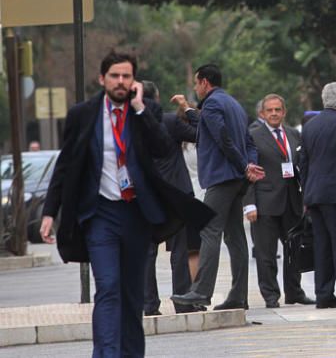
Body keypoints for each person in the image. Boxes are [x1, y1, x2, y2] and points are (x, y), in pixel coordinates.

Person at [40, 50, 212, 357]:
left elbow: (161, 148)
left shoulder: (147, 111)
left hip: (136, 214)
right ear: (102, 79)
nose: (120, 82)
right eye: (115, 76)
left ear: (134, 81)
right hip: (100, 215)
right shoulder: (83, 114)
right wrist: (50, 212)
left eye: (127, 76)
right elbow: (65, 164)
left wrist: (140, 109)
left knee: (133, 296)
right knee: (108, 288)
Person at [171, 64, 264, 311]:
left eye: (196, 83)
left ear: (204, 82)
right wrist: (249, 165)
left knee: (209, 231)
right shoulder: (232, 104)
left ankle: (200, 292)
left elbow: (223, 139)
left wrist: (245, 165)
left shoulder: (212, 104)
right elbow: (242, 139)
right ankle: (238, 296)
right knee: (235, 236)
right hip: (237, 179)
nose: (194, 87)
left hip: (223, 178)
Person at [243, 94, 313, 308]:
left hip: (292, 202)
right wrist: (249, 203)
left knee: (294, 251)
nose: (274, 113)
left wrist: (305, 198)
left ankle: (294, 292)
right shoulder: (253, 136)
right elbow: (247, 171)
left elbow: (301, 166)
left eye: (278, 110)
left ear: (284, 112)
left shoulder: (293, 135)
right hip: (264, 204)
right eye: (269, 110)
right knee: (266, 255)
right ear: (262, 113)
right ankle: (271, 295)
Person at [142, 81, 202, 316]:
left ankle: (149, 305)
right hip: (176, 194)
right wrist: (188, 109)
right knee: (179, 251)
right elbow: (199, 133)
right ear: (156, 98)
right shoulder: (169, 120)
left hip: (147, 196)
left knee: (147, 252)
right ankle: (182, 302)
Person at [300, 82, 336, 308]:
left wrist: (306, 194)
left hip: (314, 194)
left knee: (322, 246)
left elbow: (303, 163)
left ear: (324, 99)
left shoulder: (310, 125)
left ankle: (323, 294)